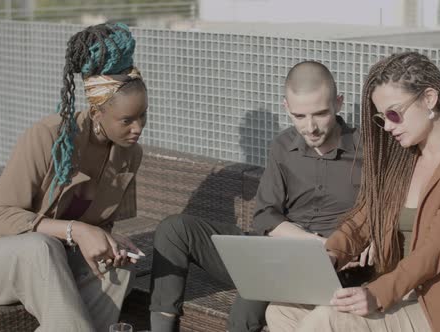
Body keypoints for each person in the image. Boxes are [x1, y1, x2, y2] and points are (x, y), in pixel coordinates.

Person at [265, 51, 440, 332]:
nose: (388, 126)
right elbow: (363, 219)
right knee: (282, 311)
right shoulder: (403, 159)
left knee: (327, 321)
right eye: (381, 118)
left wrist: (378, 293)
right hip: (399, 294)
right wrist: (330, 255)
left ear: (429, 98)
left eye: (394, 113)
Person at [0, 22, 148, 332]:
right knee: (40, 246)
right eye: (127, 119)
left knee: (120, 266)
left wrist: (106, 239)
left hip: (55, 261)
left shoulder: (129, 154)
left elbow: (100, 224)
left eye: (143, 115)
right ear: (96, 112)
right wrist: (76, 230)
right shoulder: (48, 137)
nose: (138, 128)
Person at [149, 60, 368, 332]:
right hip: (278, 250)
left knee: (246, 305)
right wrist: (315, 243)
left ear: (339, 103)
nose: (310, 127)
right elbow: (265, 217)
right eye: (299, 116)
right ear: (286, 107)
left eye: (320, 114)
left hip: (329, 266)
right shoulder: (283, 146)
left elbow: (381, 214)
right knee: (175, 229)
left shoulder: (366, 151)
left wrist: (337, 248)